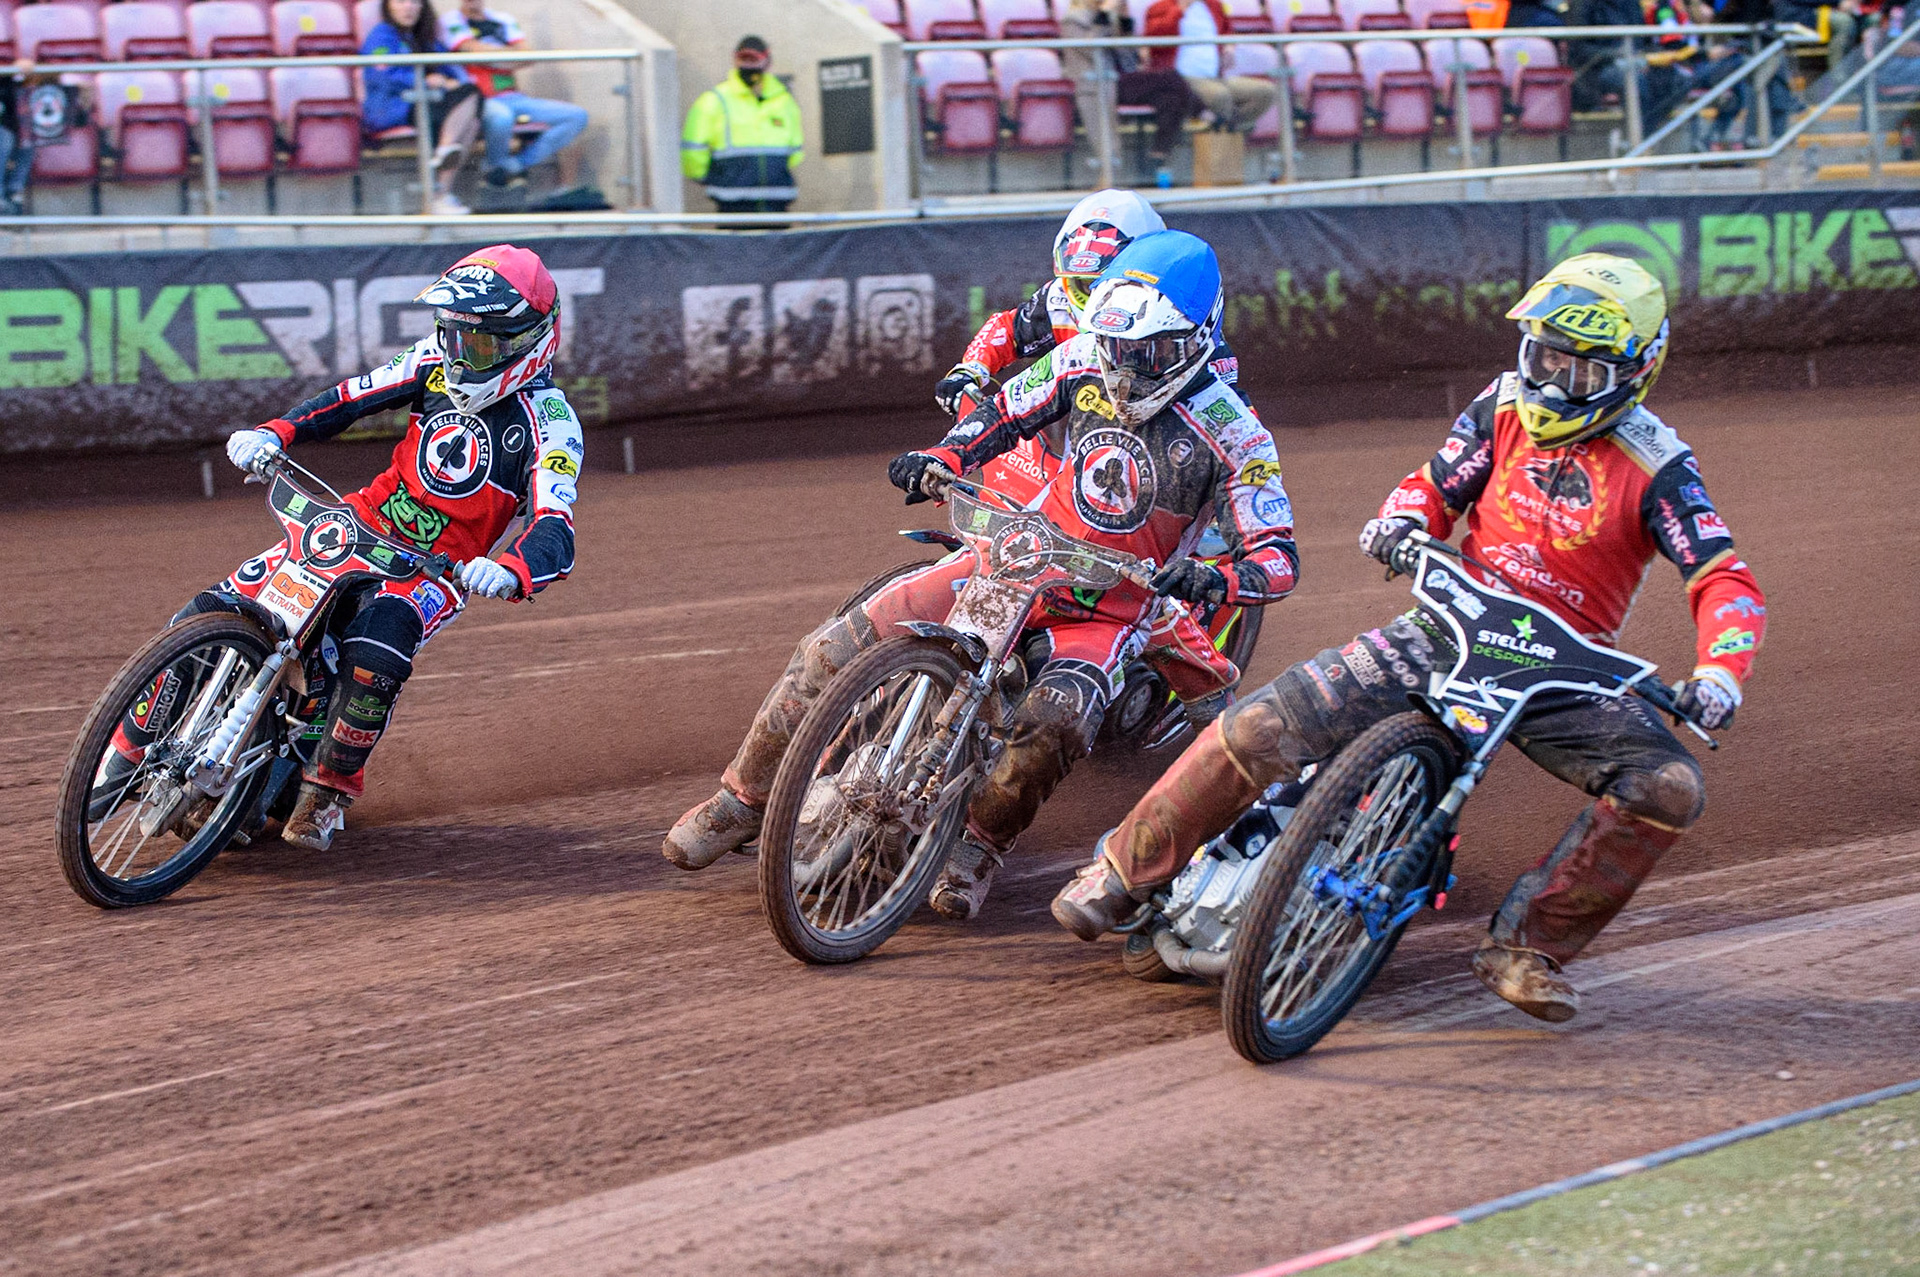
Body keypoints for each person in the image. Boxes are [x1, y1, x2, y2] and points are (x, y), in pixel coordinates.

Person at [1054, 253, 1766, 1024]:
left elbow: (1723, 577)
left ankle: (1529, 945)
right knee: (1261, 723)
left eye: (1581, 372)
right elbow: (1435, 485)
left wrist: (1719, 672)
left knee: (1669, 786)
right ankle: (1121, 871)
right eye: (1544, 358)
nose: (1555, 384)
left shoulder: (1660, 467)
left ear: (1636, 373)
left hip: (1565, 671)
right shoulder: (1500, 407)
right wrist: (1403, 521)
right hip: (1449, 621)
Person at [665, 231, 1300, 922]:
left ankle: (980, 843)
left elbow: (1278, 555)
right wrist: (942, 455)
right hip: (1017, 554)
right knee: (831, 646)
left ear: (1196, 338)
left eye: (1145, 354)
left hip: (1109, 605)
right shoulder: (1083, 357)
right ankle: (741, 798)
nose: (1123, 371)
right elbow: (1004, 411)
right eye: (1117, 349)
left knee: (1055, 722)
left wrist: (1219, 580)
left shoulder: (1235, 433)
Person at [102, 246, 583, 851]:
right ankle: (122, 752)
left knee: (375, 650)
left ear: (528, 340)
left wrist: (511, 570)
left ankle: (326, 789)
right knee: (205, 613)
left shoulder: (552, 422)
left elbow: (554, 525)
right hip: (355, 524)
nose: (459, 354)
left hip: (434, 570)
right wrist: (274, 432)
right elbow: (348, 399)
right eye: (451, 335)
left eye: (478, 344)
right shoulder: (432, 364)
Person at [935, 188, 1255, 730]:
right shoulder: (1059, 297)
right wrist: (970, 371)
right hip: (1060, 449)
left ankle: (1183, 660)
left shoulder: (1188, 332)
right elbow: (1004, 330)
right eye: (1076, 283)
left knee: (1197, 554)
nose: (1084, 297)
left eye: (1094, 281)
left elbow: (1212, 421)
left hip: (1141, 466)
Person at [439, 0, 591, 190]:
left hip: (513, 97)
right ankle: (495, 169)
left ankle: (515, 165)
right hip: (477, 99)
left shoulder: (503, 19)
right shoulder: (450, 20)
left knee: (576, 117)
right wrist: (509, 55)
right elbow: (475, 51)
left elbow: (527, 57)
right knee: (502, 117)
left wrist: (494, 58)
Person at [362, 0, 481, 215]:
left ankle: (441, 192)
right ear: (388, 6)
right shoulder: (381, 35)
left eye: (415, 2)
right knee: (464, 111)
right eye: (401, 1)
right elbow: (382, 75)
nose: (408, 7)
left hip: (425, 104)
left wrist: (456, 80)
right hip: (393, 107)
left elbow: (451, 67)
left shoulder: (424, 37)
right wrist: (425, 81)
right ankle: (442, 180)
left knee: (471, 111)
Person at [1061, 0, 1196, 176]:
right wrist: (1104, 16)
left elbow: (1130, 59)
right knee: (1171, 77)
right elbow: (1091, 49)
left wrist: (1124, 22)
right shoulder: (1072, 20)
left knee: (1170, 98)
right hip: (1097, 82)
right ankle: (1201, 110)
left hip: (1120, 78)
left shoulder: (1111, 17)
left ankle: (1157, 157)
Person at [681, 37, 804, 215]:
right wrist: (714, 179)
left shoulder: (784, 101)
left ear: (767, 61)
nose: (748, 65)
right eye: (743, 59)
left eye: (754, 60)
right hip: (733, 205)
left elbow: (795, 152)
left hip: (777, 204)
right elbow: (692, 151)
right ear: (734, 60)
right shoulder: (715, 100)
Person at [1145, 0, 1277, 134]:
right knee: (1219, 95)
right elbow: (1155, 37)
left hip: (1214, 77)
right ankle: (1220, 134)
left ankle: (1227, 129)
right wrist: (1180, 9)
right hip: (1180, 79)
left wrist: (1229, 47)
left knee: (1265, 92)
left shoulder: (1214, 6)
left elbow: (1227, 31)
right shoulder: (1159, 8)